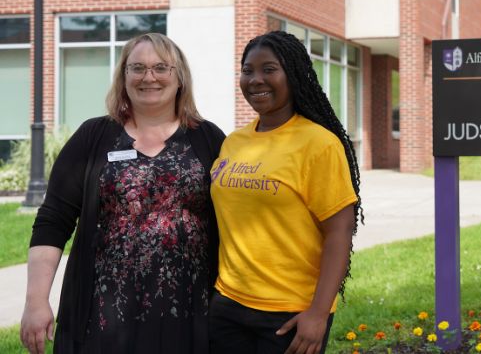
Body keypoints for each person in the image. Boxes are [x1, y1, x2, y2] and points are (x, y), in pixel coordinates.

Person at [20, 33, 225, 354]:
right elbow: (53, 220)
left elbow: (235, 219)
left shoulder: (208, 139)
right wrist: (36, 300)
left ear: (180, 77)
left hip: (188, 312)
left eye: (161, 67)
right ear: (123, 76)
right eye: (137, 68)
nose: (149, 77)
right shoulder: (93, 136)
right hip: (102, 313)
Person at [209, 30, 362, 354]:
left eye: (269, 69)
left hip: (289, 313)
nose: (256, 80)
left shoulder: (318, 144)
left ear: (293, 75)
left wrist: (318, 313)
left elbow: (339, 231)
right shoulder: (234, 142)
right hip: (228, 305)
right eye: (248, 70)